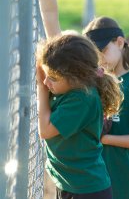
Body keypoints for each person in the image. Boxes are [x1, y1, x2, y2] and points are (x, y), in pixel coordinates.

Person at [36, 33, 122, 199]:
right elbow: (59, 46)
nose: (46, 81)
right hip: (72, 184)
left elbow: (45, 131)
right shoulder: (71, 88)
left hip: (86, 190)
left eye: (52, 78)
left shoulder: (82, 99)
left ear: (77, 78)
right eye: (45, 76)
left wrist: (41, 87)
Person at [83, 16, 129, 199]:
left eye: (103, 50)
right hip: (92, 182)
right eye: (94, 54)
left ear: (120, 42)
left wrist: (103, 138)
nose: (99, 60)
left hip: (125, 182)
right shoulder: (93, 85)